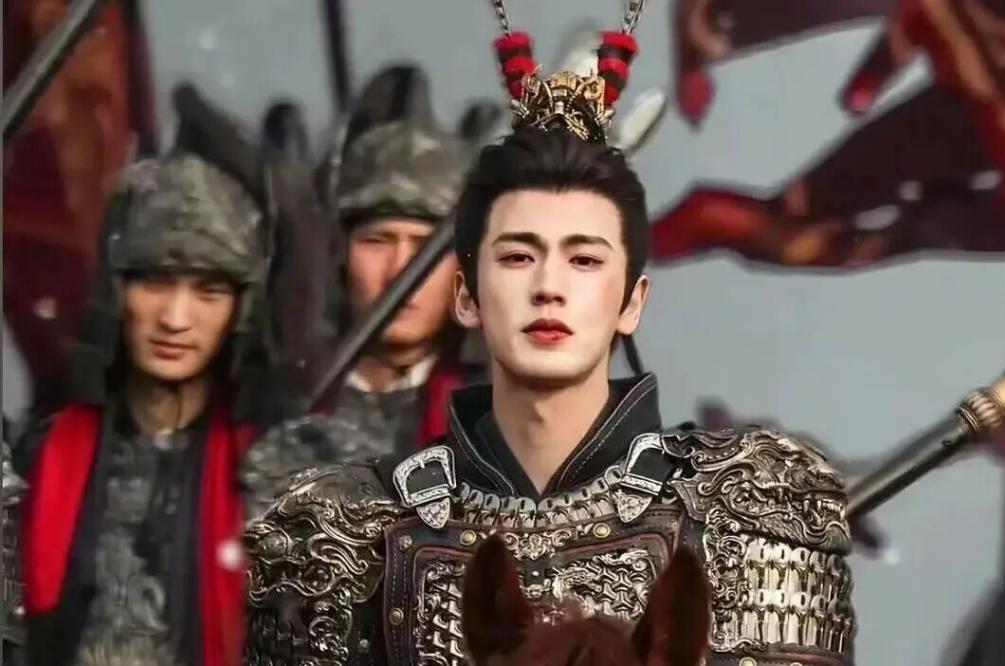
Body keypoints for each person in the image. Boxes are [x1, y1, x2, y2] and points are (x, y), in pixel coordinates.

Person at [243, 6, 857, 665]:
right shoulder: (343, 524)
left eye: (584, 259)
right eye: (517, 256)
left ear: (632, 301)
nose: (548, 286)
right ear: (466, 295)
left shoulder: (752, 506)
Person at [10, 153, 266, 666]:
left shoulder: (268, 472)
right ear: (117, 292)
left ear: (239, 310)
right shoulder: (43, 458)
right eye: (155, 282)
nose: (175, 318)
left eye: (208, 291)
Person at [240, 67, 489, 513]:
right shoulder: (276, 403)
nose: (399, 271)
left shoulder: (497, 416)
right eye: (378, 241)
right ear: (340, 254)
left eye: (424, 249)